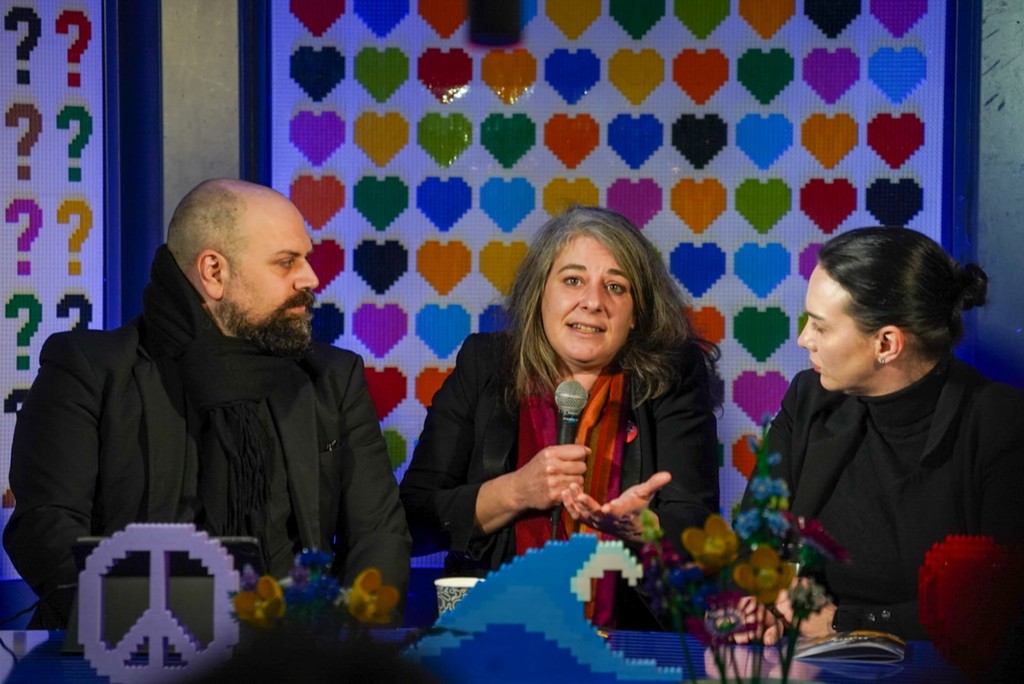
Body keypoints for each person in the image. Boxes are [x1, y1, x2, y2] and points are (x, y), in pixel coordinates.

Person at [3, 179, 411, 628]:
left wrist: (348, 641)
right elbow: (45, 529)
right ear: (214, 272)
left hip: (296, 645)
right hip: (125, 646)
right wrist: (147, 624)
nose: (310, 278)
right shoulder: (91, 370)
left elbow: (379, 534)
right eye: (286, 262)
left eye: (306, 259)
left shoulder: (332, 378)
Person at [399, 205, 720, 628]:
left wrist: (643, 528)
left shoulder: (673, 375)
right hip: (491, 629)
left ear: (636, 314)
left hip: (630, 638)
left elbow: (700, 528)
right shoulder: (484, 364)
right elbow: (415, 520)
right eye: (573, 280)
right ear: (540, 293)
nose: (593, 302)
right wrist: (516, 490)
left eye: (616, 287)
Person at [743, 226, 1024, 644]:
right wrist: (760, 603)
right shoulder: (808, 399)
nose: (804, 340)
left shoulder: (1000, 424)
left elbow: (1001, 607)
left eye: (820, 327)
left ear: (887, 344)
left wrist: (849, 622)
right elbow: (754, 540)